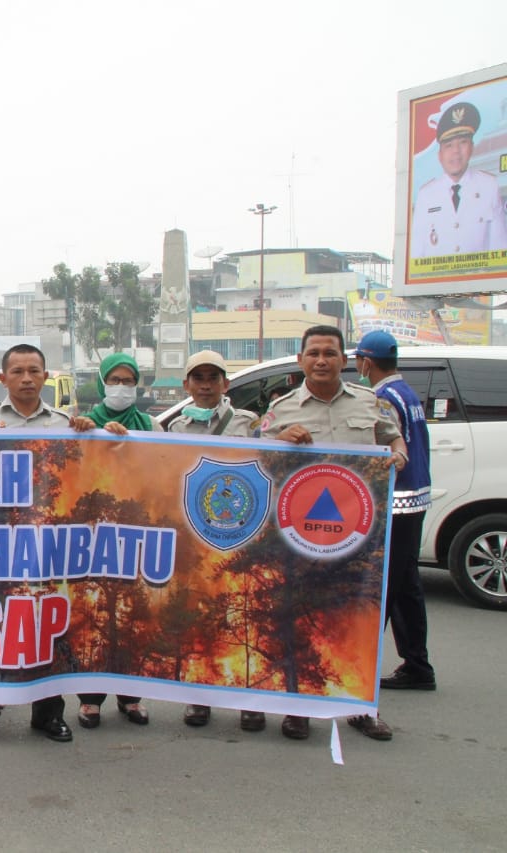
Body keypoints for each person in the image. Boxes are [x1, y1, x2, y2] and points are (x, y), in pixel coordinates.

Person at [261, 324, 408, 742]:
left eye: (330, 353)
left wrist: (397, 459)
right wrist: (280, 440)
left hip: (358, 535)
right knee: (301, 617)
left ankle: (360, 707)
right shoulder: (281, 410)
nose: (322, 360)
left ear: (345, 360)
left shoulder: (371, 403)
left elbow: (396, 443)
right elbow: (258, 459)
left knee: (356, 621)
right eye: (314, 353)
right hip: (299, 535)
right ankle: (299, 708)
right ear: (300, 360)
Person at [0, 344, 98, 747]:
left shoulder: (66, 424)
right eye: (17, 371)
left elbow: (85, 472)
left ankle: (49, 714)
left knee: (46, 624)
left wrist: (100, 437)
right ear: (2, 378)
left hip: (46, 542)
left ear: (45, 376)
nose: (26, 379)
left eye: (34, 371)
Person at [166, 351, 266, 733]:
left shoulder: (249, 424)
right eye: (198, 377)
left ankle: (250, 700)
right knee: (200, 615)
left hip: (242, 533)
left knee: (246, 616)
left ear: (226, 383)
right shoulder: (175, 428)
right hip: (195, 536)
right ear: (186, 385)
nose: (206, 385)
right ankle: (200, 694)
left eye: (213, 377)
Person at [74, 351, 160, 730]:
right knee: (92, 614)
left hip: (135, 529)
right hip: (92, 534)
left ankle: (131, 696)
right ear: (102, 383)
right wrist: (89, 437)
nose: (122, 387)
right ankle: (90, 699)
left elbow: (162, 467)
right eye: (115, 380)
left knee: (132, 614)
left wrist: (132, 445)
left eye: (128, 381)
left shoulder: (151, 425)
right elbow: (74, 469)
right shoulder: (83, 422)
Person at [354, 330, 436, 692]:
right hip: (415, 498)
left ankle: (361, 668)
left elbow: (386, 448)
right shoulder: (407, 393)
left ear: (366, 362)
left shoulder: (383, 398)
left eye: (358, 360)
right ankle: (417, 663)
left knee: (383, 588)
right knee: (405, 586)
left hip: (396, 502)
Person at [411, 101, 507, 258]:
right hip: (437, 273)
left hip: (479, 273)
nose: (456, 151)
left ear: (471, 147)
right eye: (449, 145)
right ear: (440, 155)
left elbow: (499, 247)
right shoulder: (426, 195)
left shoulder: (489, 186)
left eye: (462, 142)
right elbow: (417, 252)